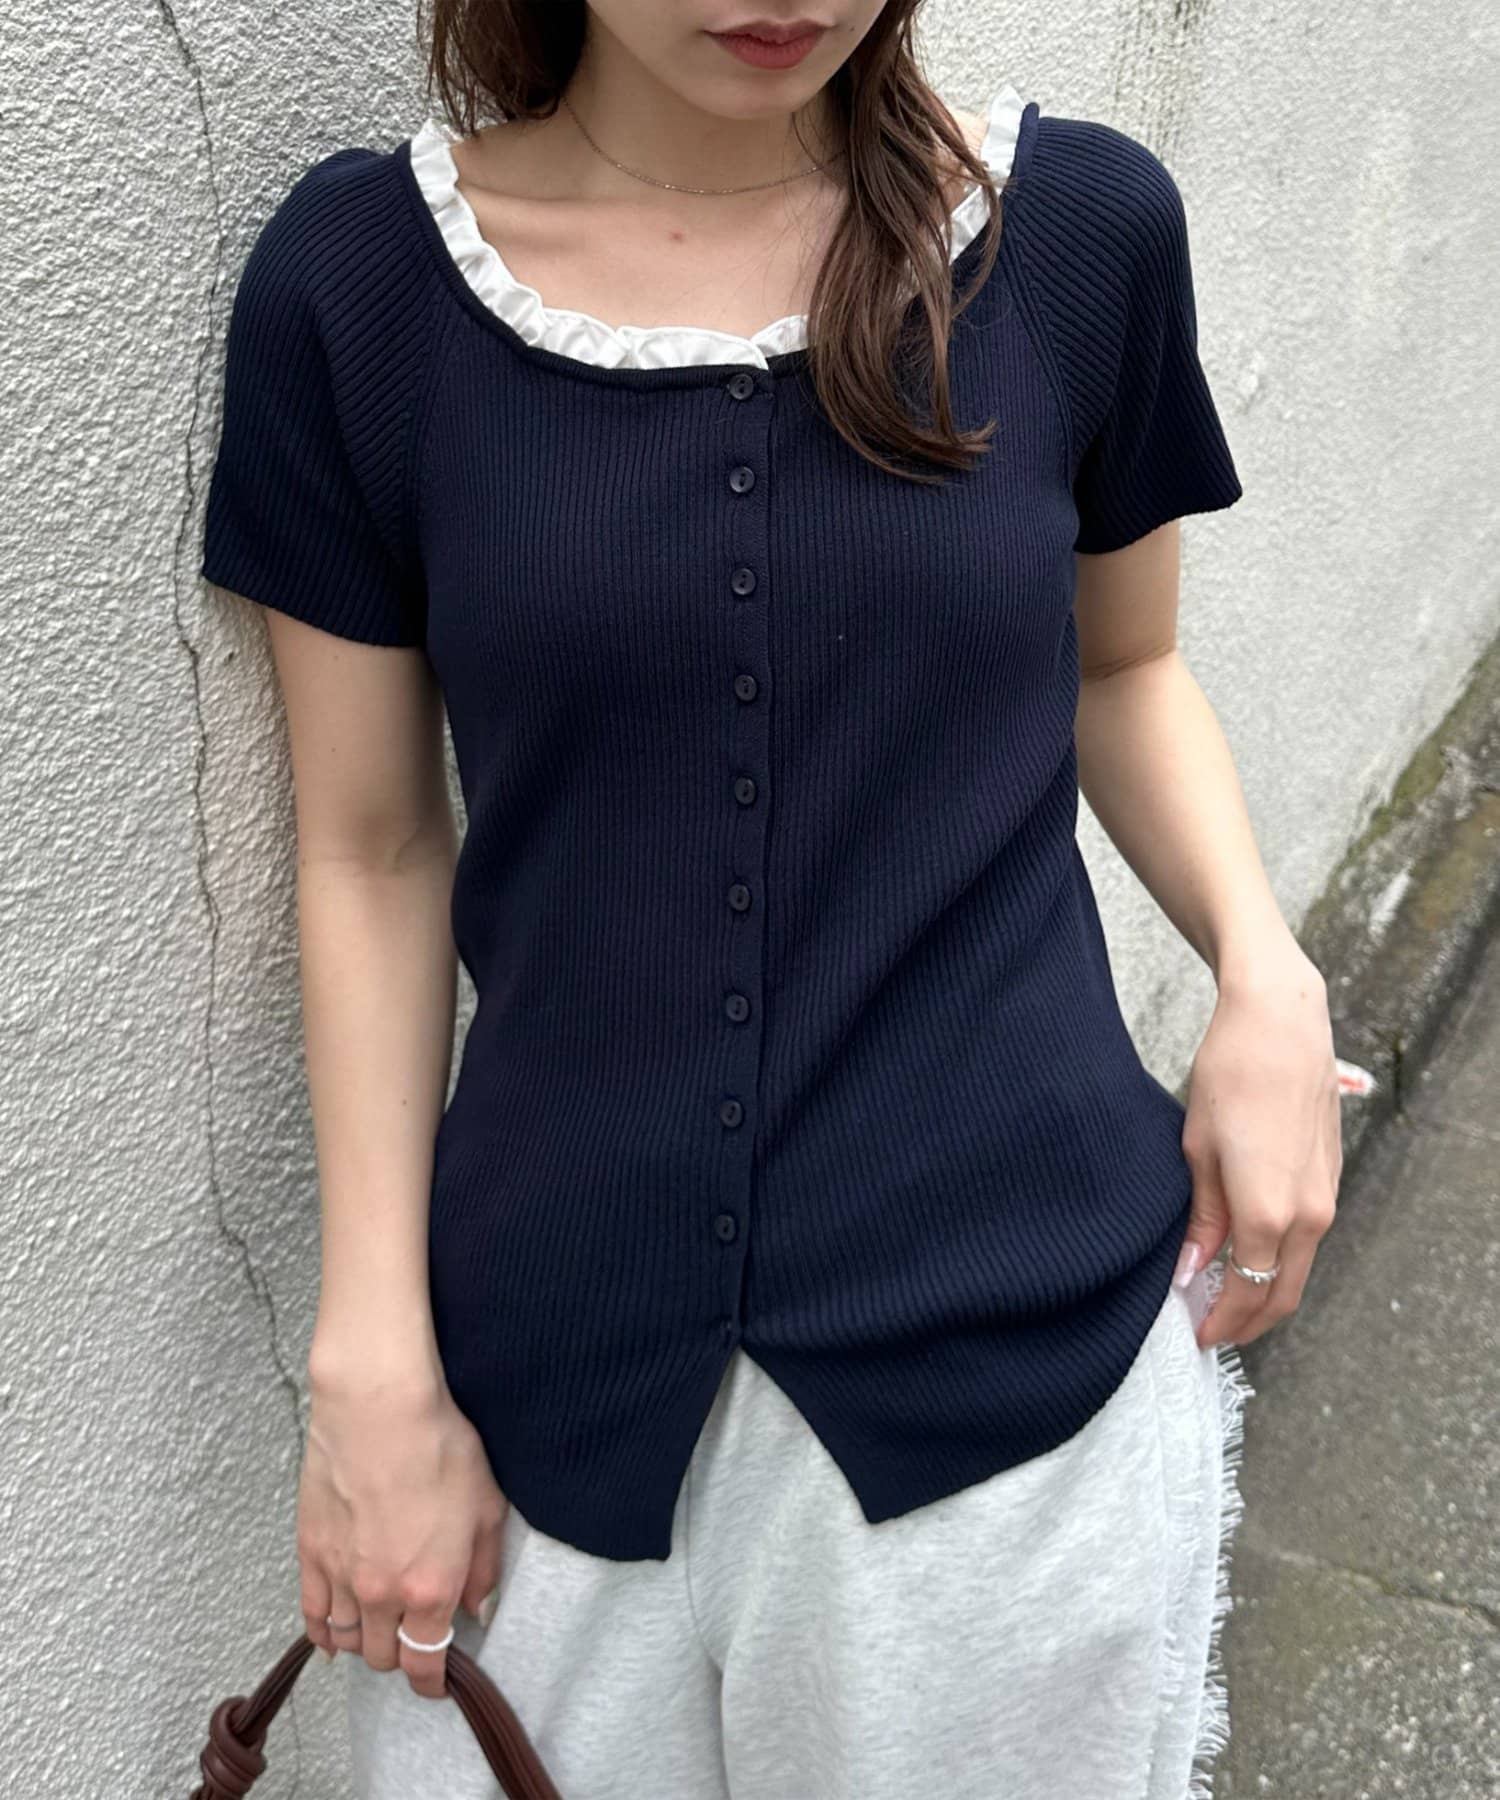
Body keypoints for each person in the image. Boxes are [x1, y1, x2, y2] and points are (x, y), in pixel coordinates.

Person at [199, 3, 1343, 1795]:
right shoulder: (361, 292)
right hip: (536, 1394)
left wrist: (1266, 975)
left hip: (1016, 1394)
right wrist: (371, 1365)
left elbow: (1124, 669)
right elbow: (370, 846)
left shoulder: (1077, 237)